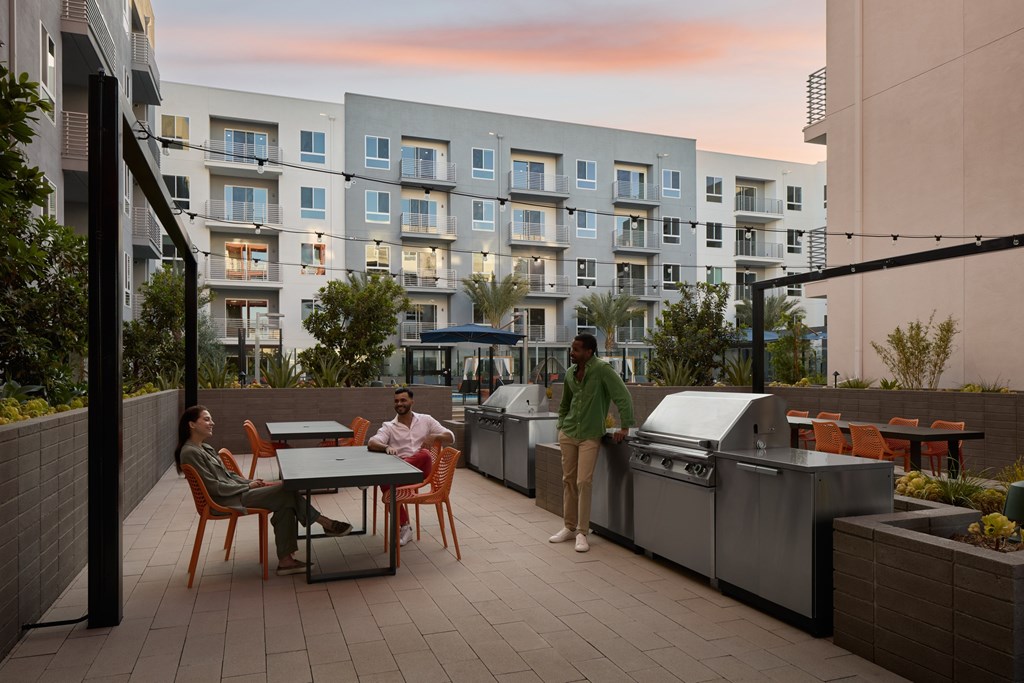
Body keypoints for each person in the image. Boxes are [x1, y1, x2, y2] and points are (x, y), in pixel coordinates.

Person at [175, 405, 353, 576]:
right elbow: (214, 487)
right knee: (286, 491)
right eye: (206, 419)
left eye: (211, 419)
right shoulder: (190, 452)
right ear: (192, 424)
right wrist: (246, 486)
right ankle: (326, 523)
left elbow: (228, 475)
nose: (212, 422)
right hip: (226, 500)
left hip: (235, 493)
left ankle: (286, 562)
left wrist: (250, 482)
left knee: (286, 501)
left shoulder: (204, 447)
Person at [551, 333, 634, 553]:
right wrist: (561, 424)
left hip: (590, 435)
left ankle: (582, 532)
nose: (572, 352)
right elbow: (565, 403)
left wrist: (625, 426)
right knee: (568, 480)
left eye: (576, 349)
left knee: (583, 482)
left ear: (589, 352)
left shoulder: (602, 370)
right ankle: (568, 527)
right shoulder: (569, 373)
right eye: (572, 348)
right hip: (568, 433)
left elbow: (623, 396)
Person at [367, 387, 454, 546]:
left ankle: (371, 478)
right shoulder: (389, 426)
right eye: (396, 401)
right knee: (387, 486)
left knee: (424, 455)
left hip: (423, 473)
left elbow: (451, 437)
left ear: (412, 402)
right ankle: (405, 527)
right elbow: (372, 442)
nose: (399, 403)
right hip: (401, 476)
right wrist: (386, 447)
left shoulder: (426, 420)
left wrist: (435, 436)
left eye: (403, 400)